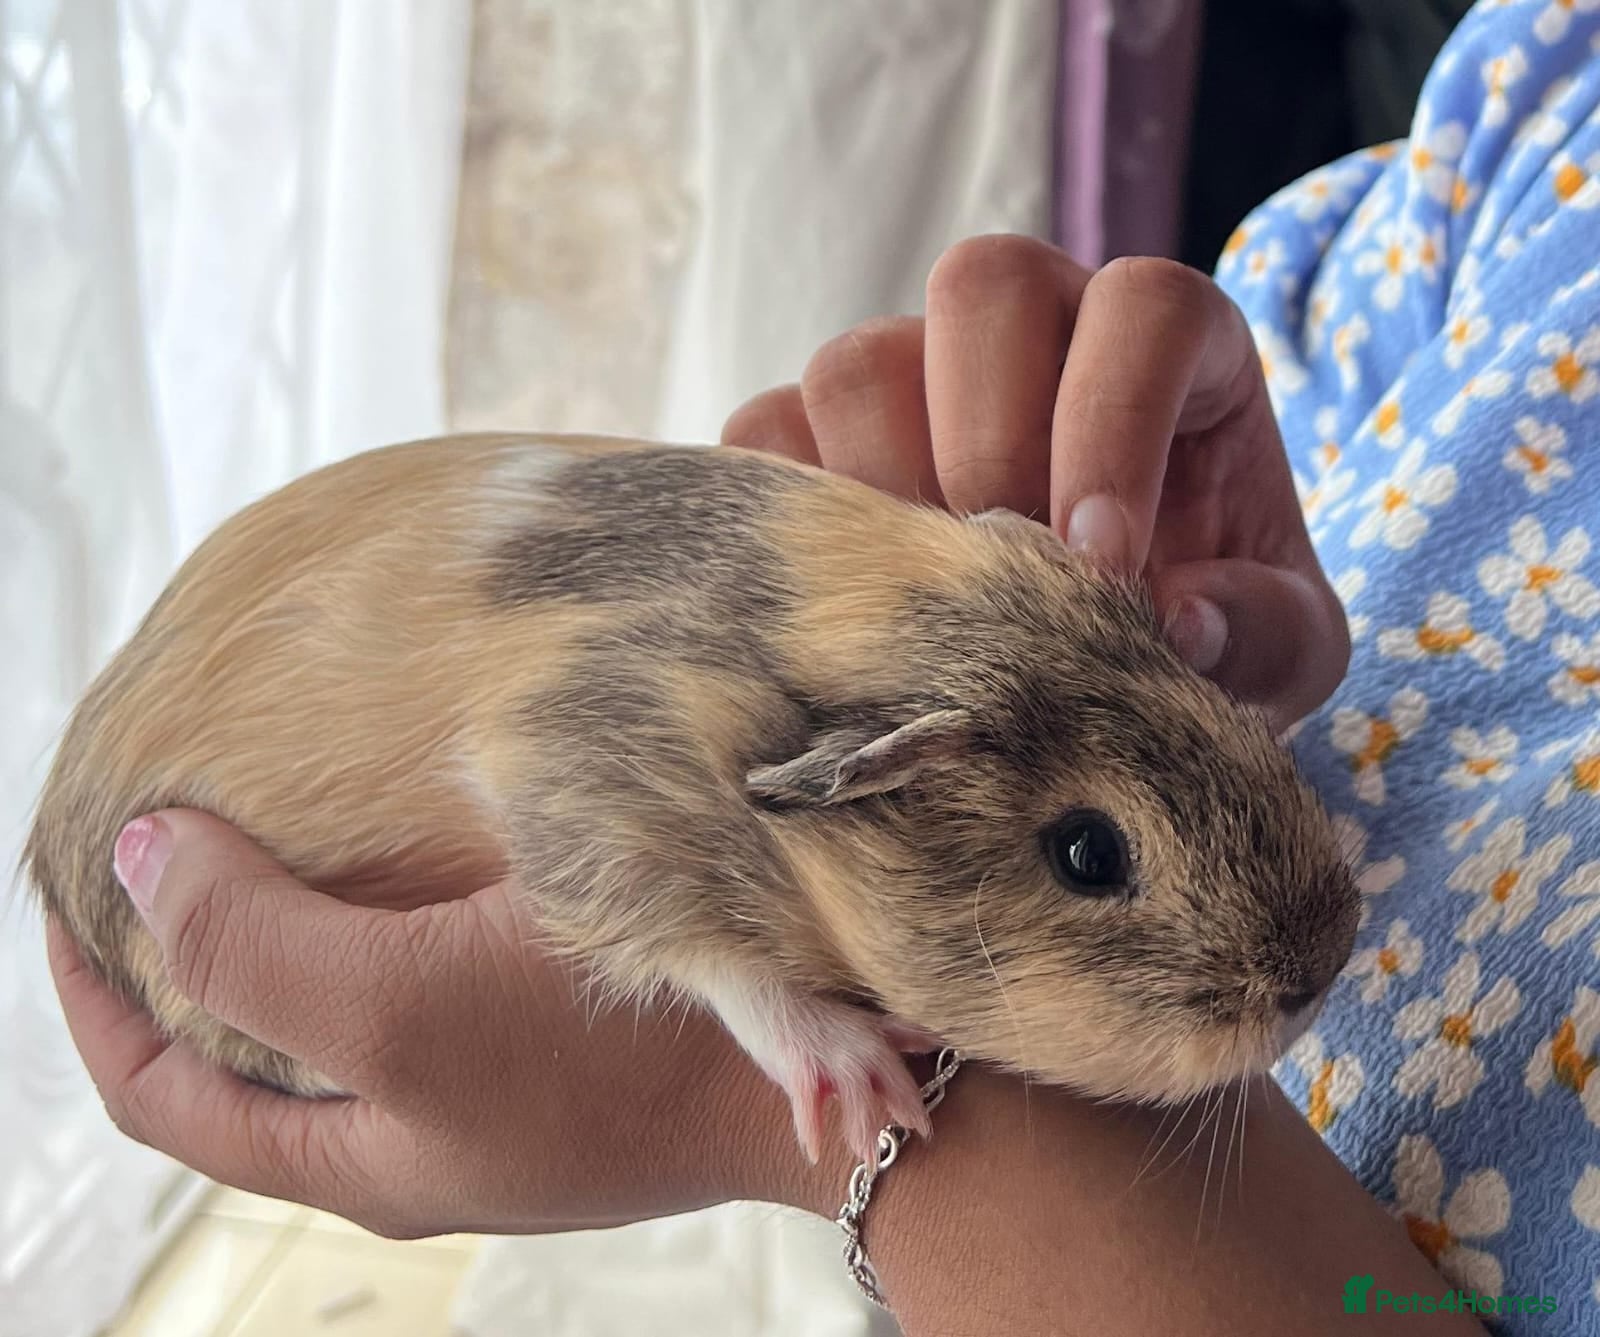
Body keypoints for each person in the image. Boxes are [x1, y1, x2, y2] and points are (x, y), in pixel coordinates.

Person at [47, 1, 1599, 1331]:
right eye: (1089, 854)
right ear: (851, 783)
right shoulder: (1527, 109)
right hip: (212, 811)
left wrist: (770, 1104)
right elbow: (580, 781)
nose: (1292, 965)